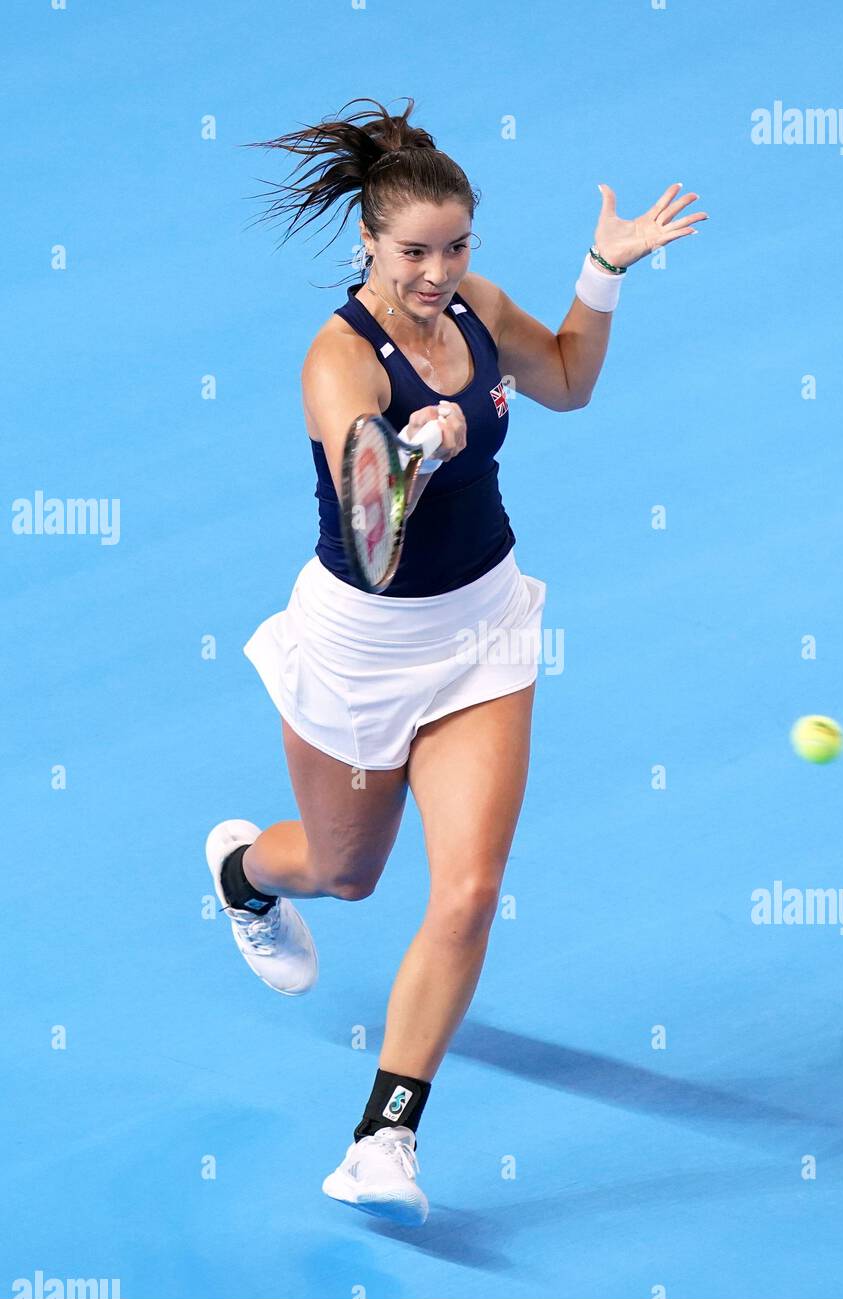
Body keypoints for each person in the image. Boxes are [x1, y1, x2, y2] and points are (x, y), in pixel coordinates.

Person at [205, 96, 707, 1227]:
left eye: (456, 246)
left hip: (482, 629)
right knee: (346, 872)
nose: (438, 272)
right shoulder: (338, 359)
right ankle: (243, 874)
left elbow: (570, 377)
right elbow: (369, 523)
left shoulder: (476, 307)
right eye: (414, 253)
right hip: (362, 643)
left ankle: (387, 1133)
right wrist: (407, 450)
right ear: (369, 247)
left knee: (471, 887)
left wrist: (604, 269)